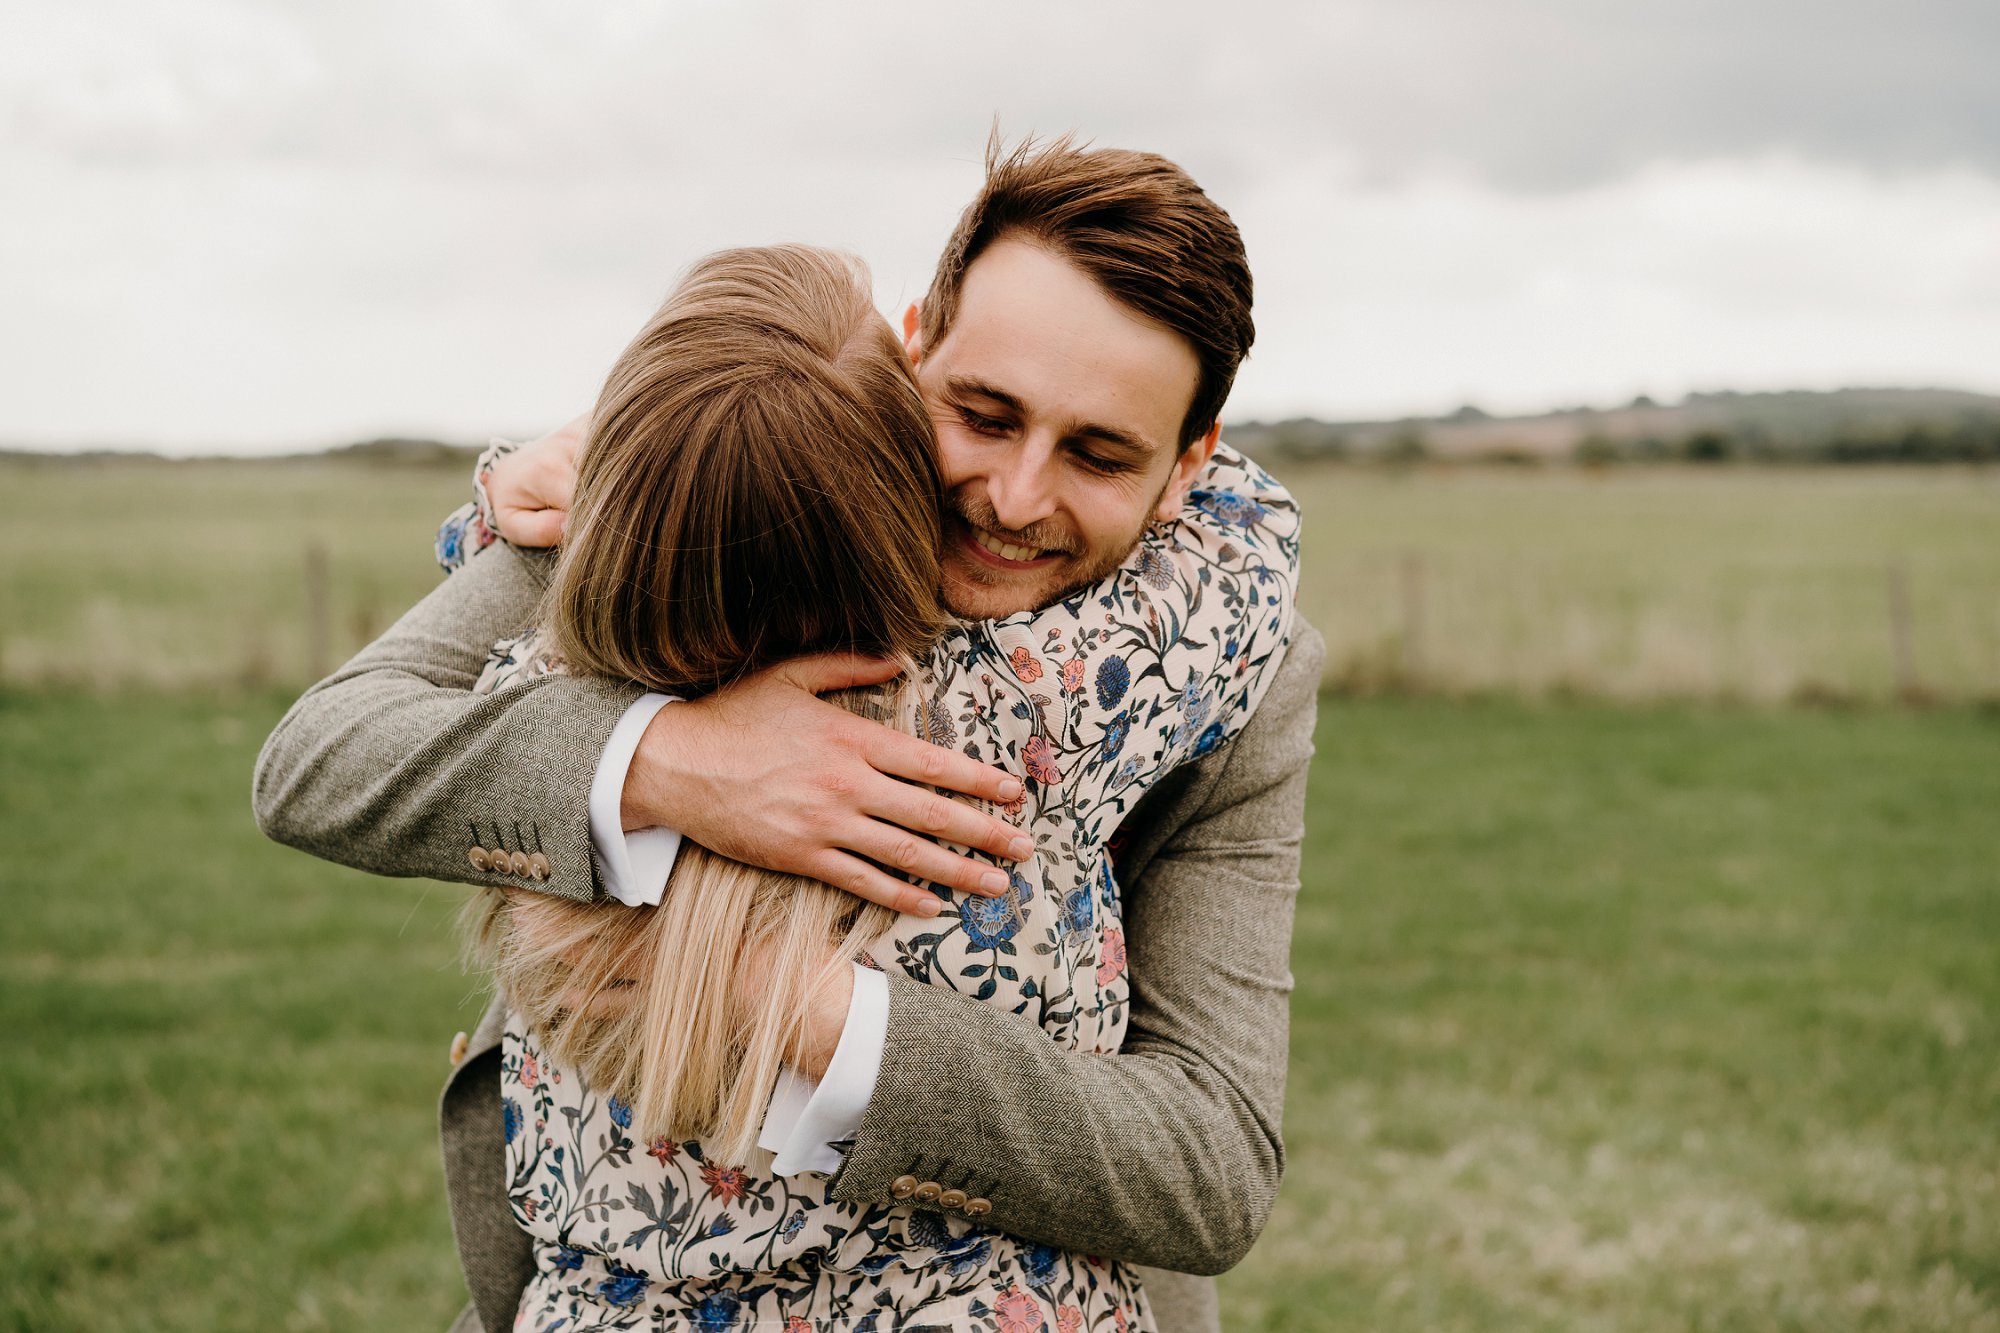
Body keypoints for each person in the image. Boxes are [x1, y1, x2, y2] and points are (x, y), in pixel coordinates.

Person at [254, 135, 1326, 1333]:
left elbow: (1209, 1163)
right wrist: (667, 765)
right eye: (982, 414)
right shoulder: (721, 475)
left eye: (1095, 453)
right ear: (915, 344)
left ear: (1188, 464)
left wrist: (792, 1008)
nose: (1016, 499)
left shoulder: (1245, 666)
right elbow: (322, 757)